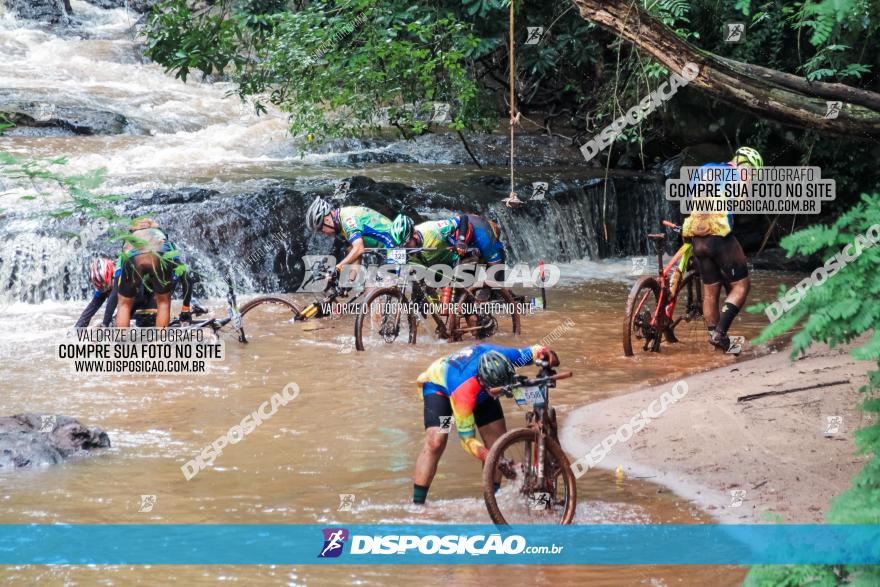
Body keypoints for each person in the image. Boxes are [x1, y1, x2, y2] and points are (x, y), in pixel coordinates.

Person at [411, 343, 559, 505]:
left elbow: (536, 351)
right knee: (437, 441)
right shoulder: (463, 393)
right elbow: (467, 441)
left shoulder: (505, 357)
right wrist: (493, 458)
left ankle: (491, 501)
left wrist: (548, 356)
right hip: (441, 391)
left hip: (481, 392)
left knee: (496, 444)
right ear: (482, 379)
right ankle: (418, 504)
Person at [681, 146, 762, 352]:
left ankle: (717, 343)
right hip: (718, 235)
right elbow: (737, 202)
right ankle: (720, 334)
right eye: (752, 172)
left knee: (710, 293)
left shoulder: (705, 168)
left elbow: (691, 193)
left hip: (697, 237)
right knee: (741, 286)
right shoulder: (739, 175)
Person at [115, 218, 182, 328]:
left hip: (134, 255)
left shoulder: (130, 238)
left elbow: (120, 266)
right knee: (163, 302)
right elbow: (176, 263)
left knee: (124, 304)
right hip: (159, 252)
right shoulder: (160, 234)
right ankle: (161, 341)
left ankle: (121, 342)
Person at [305, 196, 395, 276]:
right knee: (375, 289)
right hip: (387, 248)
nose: (324, 233)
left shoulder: (348, 220)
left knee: (380, 287)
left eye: (321, 229)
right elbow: (355, 254)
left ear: (327, 220)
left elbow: (359, 249)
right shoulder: (340, 227)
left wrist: (338, 267)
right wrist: (349, 282)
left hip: (396, 244)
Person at [391, 214, 457, 267]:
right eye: (401, 246)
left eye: (406, 244)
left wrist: (460, 241)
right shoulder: (403, 249)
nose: (404, 249)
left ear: (414, 234)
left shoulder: (434, 229)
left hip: (454, 260)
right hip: (436, 266)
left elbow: (463, 219)